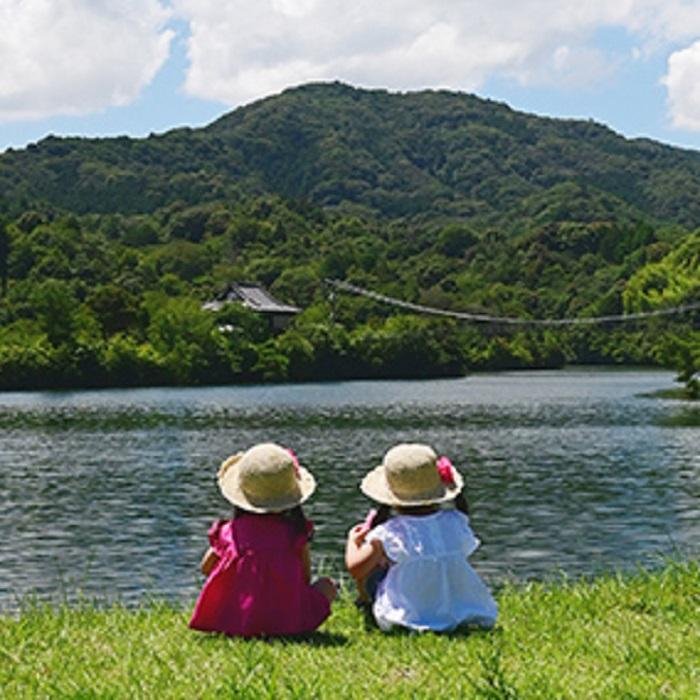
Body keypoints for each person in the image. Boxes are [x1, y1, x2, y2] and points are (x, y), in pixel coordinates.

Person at [345, 443, 497, 632]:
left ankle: (365, 601)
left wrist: (353, 540)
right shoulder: (455, 520)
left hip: (406, 616)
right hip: (462, 608)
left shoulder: (389, 532)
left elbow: (356, 569)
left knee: (375, 569)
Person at [189, 442, 336, 637]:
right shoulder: (294, 533)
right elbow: (304, 578)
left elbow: (206, 568)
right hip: (288, 622)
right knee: (327, 585)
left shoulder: (228, 532)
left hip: (236, 621)